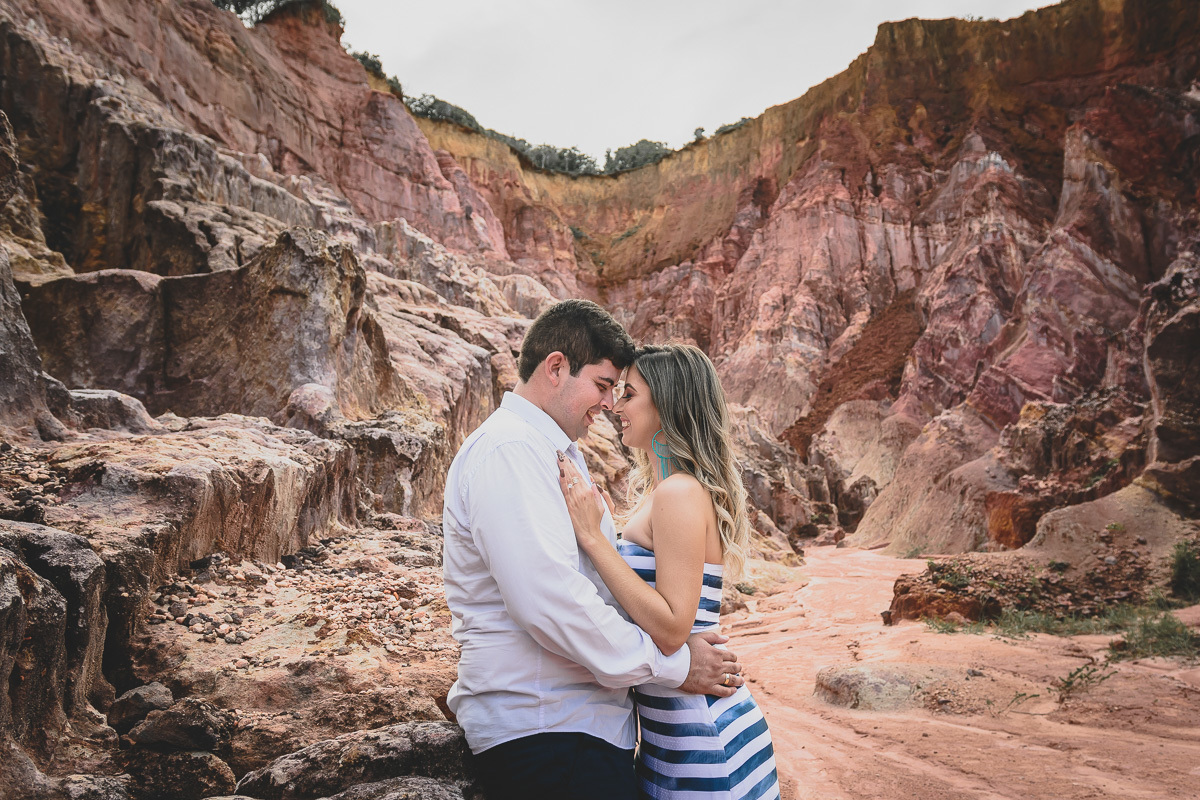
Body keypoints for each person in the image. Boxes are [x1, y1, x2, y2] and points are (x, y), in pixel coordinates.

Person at [442, 301, 746, 800]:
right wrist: (675, 666)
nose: (610, 404)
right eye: (604, 386)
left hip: (578, 733)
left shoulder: (554, 453)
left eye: (621, 392)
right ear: (556, 367)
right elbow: (552, 602)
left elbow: (601, 591)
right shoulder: (510, 451)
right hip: (548, 731)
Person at [558, 343, 781, 800]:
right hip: (671, 733)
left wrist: (596, 541)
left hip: (702, 735)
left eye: (630, 394)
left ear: (666, 404)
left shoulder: (678, 493)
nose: (615, 407)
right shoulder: (669, 492)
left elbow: (674, 628)